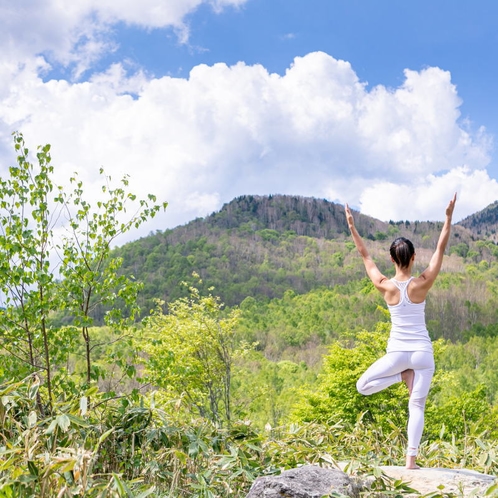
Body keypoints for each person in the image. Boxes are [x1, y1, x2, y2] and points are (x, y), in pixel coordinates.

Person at [344, 193, 457, 469]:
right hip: (421, 353)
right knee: (416, 407)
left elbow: (364, 254)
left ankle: (399, 378)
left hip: (396, 355)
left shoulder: (385, 285)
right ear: (414, 257)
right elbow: (440, 250)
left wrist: (352, 227)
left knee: (363, 387)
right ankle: (411, 462)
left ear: (392, 259)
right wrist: (447, 218)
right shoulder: (423, 283)